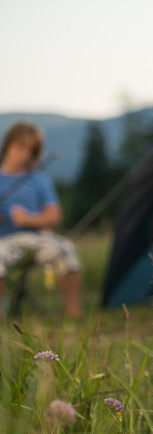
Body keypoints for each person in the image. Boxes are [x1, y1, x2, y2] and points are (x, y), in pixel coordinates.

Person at [0, 121, 81, 318]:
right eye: (21, 147)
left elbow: (54, 217)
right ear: (8, 145)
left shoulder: (39, 179)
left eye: (32, 150)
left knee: (66, 250)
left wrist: (27, 218)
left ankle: (73, 313)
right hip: (3, 241)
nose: (26, 155)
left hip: (38, 238)